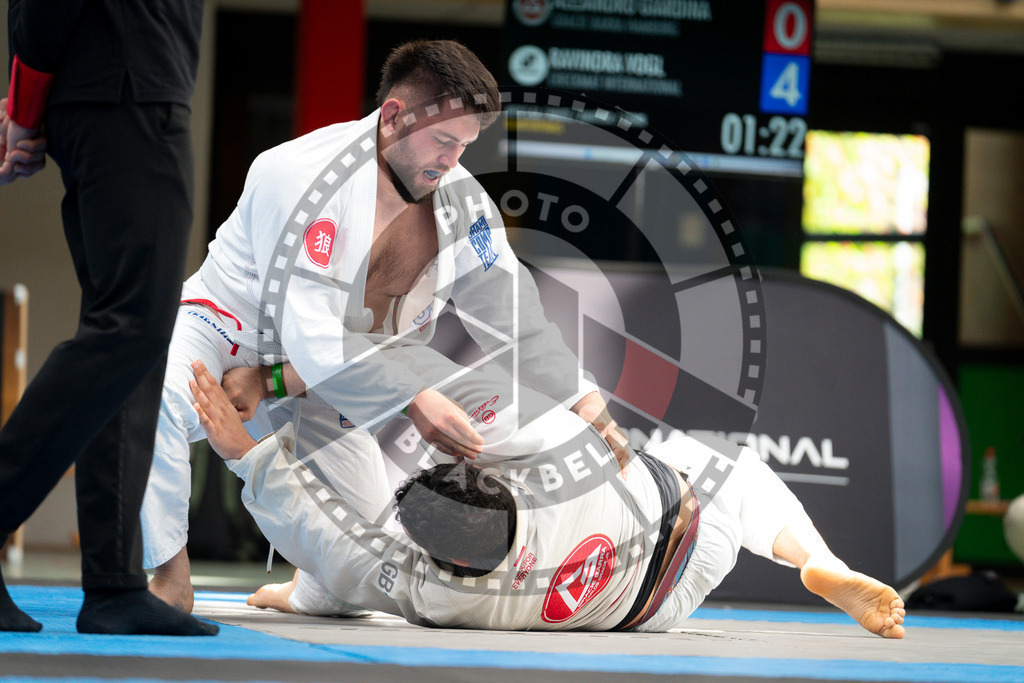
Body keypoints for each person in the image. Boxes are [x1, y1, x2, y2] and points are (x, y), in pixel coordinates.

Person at [141, 39, 619, 613]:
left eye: (465, 146)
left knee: (364, 564)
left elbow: (520, 322)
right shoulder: (298, 174)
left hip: (321, 377)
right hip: (229, 329)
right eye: (443, 140)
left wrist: (592, 410)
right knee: (152, 393)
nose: (452, 161)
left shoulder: (462, 204)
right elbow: (311, 329)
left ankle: (311, 590)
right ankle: (168, 574)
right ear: (393, 116)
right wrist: (413, 396)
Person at [189, 349, 906, 638]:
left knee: (346, 560)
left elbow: (340, 544)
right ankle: (817, 558)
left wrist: (249, 438)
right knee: (730, 469)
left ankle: (307, 594)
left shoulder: (438, 593)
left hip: (644, 611)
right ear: (492, 481)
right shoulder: (545, 446)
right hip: (680, 542)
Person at [0, 0, 216, 635]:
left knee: (132, 345)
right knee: (132, 327)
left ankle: (114, 586)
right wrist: (25, 106)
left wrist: (30, 105)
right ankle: (111, 582)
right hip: (129, 91)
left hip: (123, 88)